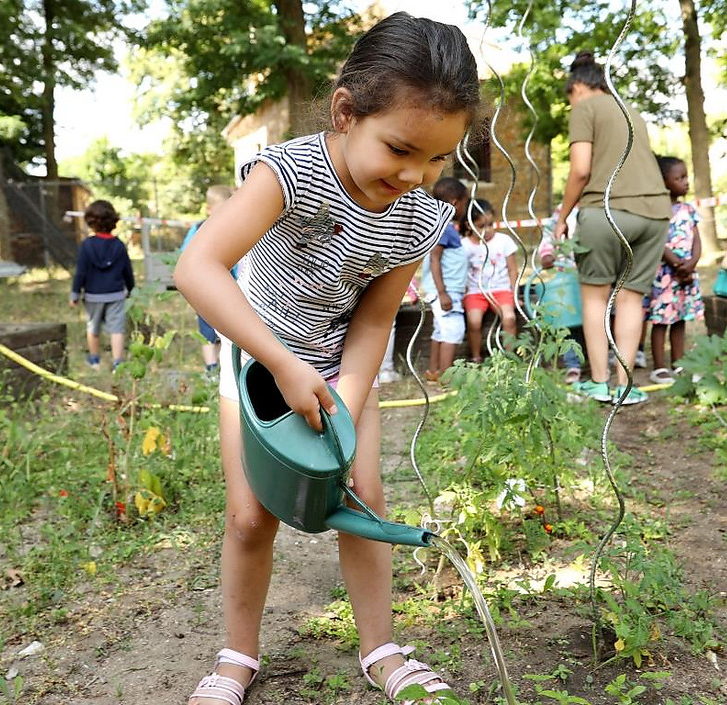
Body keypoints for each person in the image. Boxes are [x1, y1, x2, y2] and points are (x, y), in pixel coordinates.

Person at [175, 12, 479, 705]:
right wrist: (281, 361)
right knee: (251, 515)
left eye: (437, 159)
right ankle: (235, 656)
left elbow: (376, 318)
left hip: (342, 366)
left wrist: (347, 395)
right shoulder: (287, 173)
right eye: (400, 148)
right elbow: (199, 267)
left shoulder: (418, 215)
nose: (415, 174)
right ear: (345, 112)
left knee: (365, 498)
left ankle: (382, 649)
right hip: (257, 357)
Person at [552, 51, 671, 405]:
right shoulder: (630, 110)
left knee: (595, 299)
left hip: (606, 212)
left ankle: (600, 383)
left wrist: (562, 217)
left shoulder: (585, 108)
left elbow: (581, 170)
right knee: (632, 299)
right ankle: (626, 386)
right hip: (654, 213)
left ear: (578, 88)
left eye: (569, 97)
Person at [645, 156, 703, 384]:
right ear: (663, 182)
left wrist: (692, 263)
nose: (686, 182)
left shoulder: (689, 209)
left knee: (680, 318)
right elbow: (657, 241)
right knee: (660, 320)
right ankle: (659, 367)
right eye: (679, 178)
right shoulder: (656, 210)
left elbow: (697, 240)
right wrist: (676, 264)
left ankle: (679, 363)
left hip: (687, 274)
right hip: (664, 275)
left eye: (686, 176)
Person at [69, 200, 134, 372]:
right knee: (117, 329)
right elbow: (127, 270)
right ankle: (118, 363)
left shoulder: (87, 246)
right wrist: (131, 289)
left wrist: (75, 293)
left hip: (93, 295)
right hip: (115, 294)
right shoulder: (119, 246)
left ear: (90, 222)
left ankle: (94, 360)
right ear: (113, 221)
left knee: (93, 327)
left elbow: (80, 272)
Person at [180, 185, 235, 374]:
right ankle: (211, 369)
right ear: (209, 209)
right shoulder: (198, 228)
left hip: (229, 291)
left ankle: (220, 367)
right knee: (207, 333)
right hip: (204, 292)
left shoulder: (233, 229)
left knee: (225, 332)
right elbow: (185, 256)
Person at [420, 177, 470, 381]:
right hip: (445, 291)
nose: (466, 208)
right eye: (465, 203)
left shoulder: (443, 226)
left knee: (441, 331)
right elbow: (435, 259)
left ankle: (435, 371)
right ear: (455, 203)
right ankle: (447, 377)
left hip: (444, 290)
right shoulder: (444, 227)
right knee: (453, 331)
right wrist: (442, 293)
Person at [462, 198, 518, 362]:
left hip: (501, 290)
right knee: (474, 321)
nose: (487, 230)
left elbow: (512, 269)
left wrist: (514, 294)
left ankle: (510, 357)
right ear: (469, 226)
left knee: (509, 318)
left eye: (490, 224)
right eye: (481, 226)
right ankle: (476, 357)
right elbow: (460, 273)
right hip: (475, 291)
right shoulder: (464, 246)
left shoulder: (504, 241)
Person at [537, 205, 583, 383]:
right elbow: (549, 234)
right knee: (569, 321)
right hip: (567, 275)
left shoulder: (601, 204)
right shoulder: (563, 210)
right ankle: (573, 364)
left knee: (598, 318)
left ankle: (603, 363)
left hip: (594, 272)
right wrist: (548, 254)